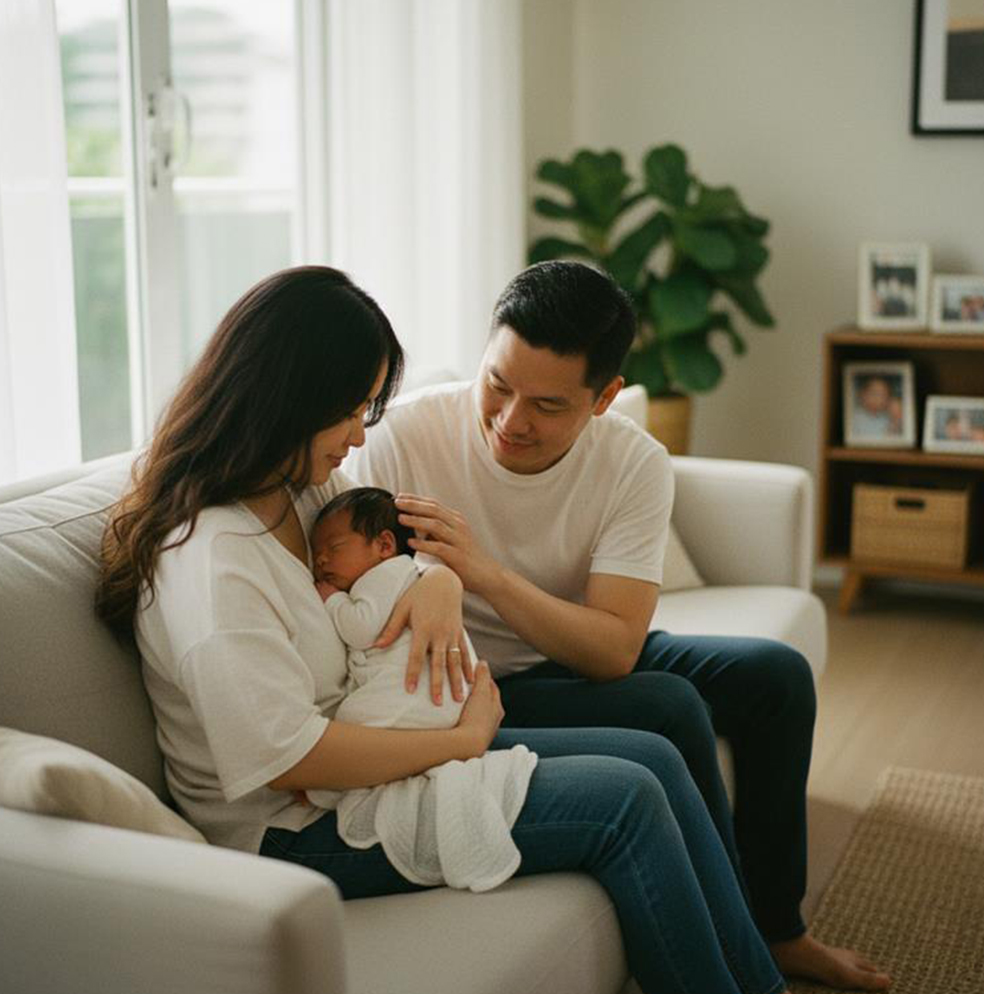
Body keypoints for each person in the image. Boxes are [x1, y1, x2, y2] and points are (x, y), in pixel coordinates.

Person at [97, 264, 793, 994]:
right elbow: (287, 759)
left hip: (372, 759)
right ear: (288, 401)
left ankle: (759, 977)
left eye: (370, 407)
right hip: (291, 832)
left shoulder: (305, 491)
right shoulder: (213, 561)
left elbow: (393, 556)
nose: (363, 434)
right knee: (626, 800)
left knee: (655, 756)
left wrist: (440, 582)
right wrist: (460, 742)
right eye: (352, 411)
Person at [348, 260, 891, 992]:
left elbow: (612, 650)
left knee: (776, 677)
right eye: (498, 385)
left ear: (604, 398)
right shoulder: (404, 440)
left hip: (570, 651)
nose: (511, 421)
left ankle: (780, 928)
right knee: (667, 705)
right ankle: (733, 942)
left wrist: (485, 574)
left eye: (546, 404)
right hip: (479, 684)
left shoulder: (634, 463)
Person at [307, 486, 538, 892]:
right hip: (443, 707)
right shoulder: (396, 573)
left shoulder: (381, 577)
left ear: (383, 545)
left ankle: (322, 790)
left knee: (358, 721)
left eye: (333, 547)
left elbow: (361, 629)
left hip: (414, 699)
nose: (321, 559)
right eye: (317, 551)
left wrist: (331, 601)